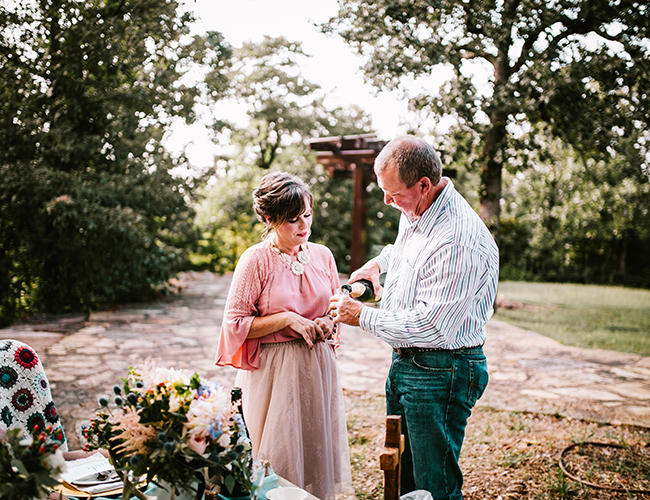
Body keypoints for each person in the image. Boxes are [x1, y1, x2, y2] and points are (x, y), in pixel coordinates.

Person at [329, 136, 499, 500]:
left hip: (441, 370)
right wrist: (378, 264)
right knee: (403, 477)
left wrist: (362, 316)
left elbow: (433, 326)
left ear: (423, 184)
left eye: (394, 194)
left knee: (433, 486)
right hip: (409, 362)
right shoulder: (419, 208)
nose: (388, 202)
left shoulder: (458, 240)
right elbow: (405, 248)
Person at [215, 172, 352, 500]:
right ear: (269, 219)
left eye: (308, 215)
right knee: (276, 463)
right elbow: (234, 323)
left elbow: (336, 309)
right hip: (274, 372)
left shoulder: (323, 255)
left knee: (315, 455)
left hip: (318, 367)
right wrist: (287, 319)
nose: (304, 226)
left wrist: (327, 322)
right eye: (293, 219)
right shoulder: (255, 260)